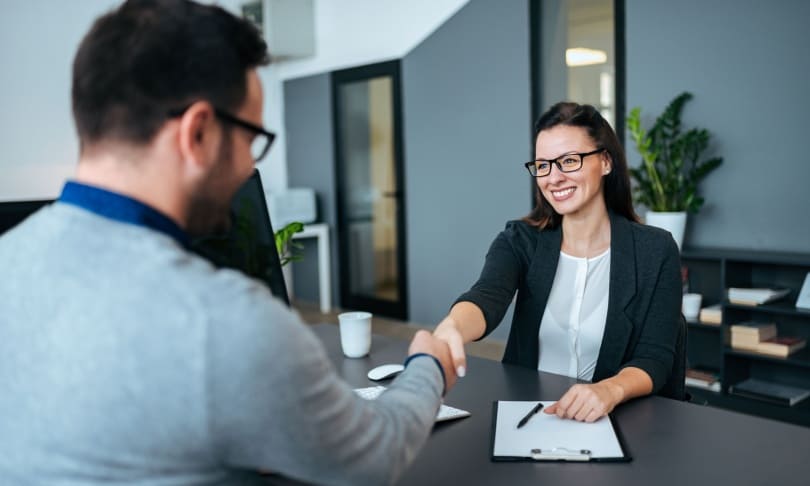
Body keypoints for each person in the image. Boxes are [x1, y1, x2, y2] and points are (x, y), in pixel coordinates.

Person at [0, 1, 456, 484]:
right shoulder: (220, 321)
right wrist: (427, 364)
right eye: (250, 139)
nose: (248, 167)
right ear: (197, 132)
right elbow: (374, 457)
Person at [433, 102, 682, 423]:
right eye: (543, 165)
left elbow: (655, 356)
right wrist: (452, 327)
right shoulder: (520, 239)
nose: (554, 177)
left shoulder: (655, 249)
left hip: (615, 417)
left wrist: (609, 389)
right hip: (529, 415)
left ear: (605, 161)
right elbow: (487, 296)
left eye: (569, 161)